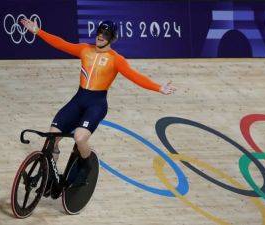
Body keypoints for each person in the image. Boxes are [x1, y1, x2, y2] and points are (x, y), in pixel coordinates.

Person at [20, 18, 176, 194]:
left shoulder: (116, 60)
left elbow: (135, 76)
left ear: (112, 38)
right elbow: (61, 44)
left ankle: (86, 167)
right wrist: (38, 31)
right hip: (78, 100)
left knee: (79, 138)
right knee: (52, 138)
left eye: (106, 34)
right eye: (100, 32)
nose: (101, 36)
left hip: (96, 104)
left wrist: (158, 87)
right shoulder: (85, 49)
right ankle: (49, 176)